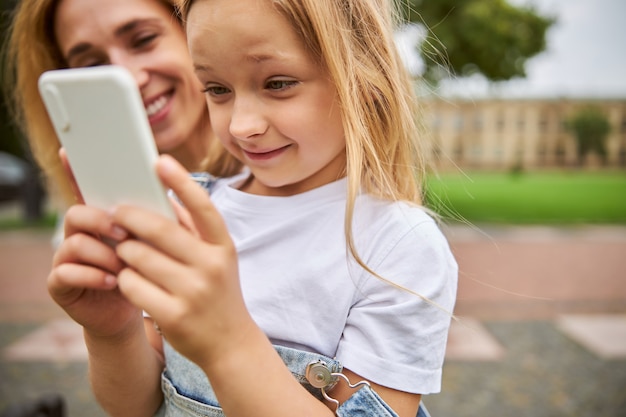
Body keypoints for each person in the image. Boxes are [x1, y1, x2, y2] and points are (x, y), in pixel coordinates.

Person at [48, 0, 458, 416]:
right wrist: (113, 333)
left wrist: (228, 343)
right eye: (218, 89)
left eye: (278, 83)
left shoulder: (396, 247)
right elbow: (137, 406)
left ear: (364, 77)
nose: (242, 125)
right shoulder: (187, 214)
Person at [3, 0, 241, 210]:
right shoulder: (99, 221)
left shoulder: (274, 176)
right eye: (93, 65)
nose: (130, 80)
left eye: (143, 40)